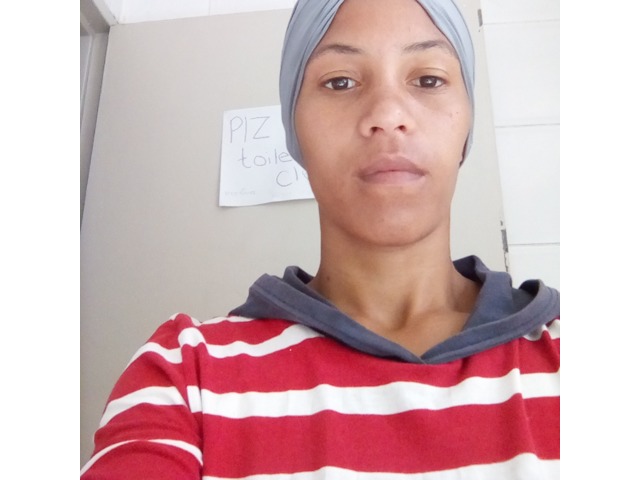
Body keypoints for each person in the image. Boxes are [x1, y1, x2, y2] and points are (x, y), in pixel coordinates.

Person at [81, 0, 560, 478]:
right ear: (295, 130)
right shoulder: (186, 375)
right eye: (340, 82)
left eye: (429, 80)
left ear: (468, 122)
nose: (388, 114)